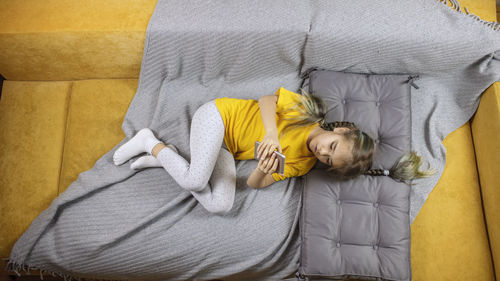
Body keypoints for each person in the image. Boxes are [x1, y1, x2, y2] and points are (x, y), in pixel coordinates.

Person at [112, 87, 436, 214]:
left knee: (220, 205)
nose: (321, 151)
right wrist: (271, 134)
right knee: (196, 181)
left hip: (228, 150)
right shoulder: (307, 113)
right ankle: (148, 142)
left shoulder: (303, 164)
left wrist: (263, 169)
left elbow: (253, 184)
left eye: (327, 158)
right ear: (341, 129)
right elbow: (266, 100)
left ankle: (167, 157)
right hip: (217, 117)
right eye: (331, 145)